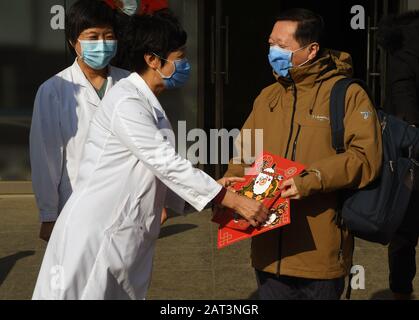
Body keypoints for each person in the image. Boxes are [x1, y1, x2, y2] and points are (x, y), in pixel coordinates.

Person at [32, 11, 268, 300]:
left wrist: (216, 193)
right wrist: (228, 199)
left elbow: (161, 171)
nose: (184, 64)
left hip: (124, 233)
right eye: (179, 56)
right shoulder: (126, 101)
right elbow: (165, 161)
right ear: (153, 60)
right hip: (96, 234)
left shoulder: (145, 102)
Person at [224, 8, 383, 300]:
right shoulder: (267, 97)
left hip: (320, 252)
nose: (273, 51)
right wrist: (232, 181)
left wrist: (309, 180)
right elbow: (245, 152)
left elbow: (365, 158)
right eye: (271, 43)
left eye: (282, 46)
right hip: (267, 249)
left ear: (311, 50)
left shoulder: (347, 94)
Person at [30, 0, 130, 242]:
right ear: (73, 41)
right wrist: (49, 214)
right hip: (76, 205)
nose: (102, 44)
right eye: (92, 37)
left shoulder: (129, 84)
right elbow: (46, 157)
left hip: (126, 205)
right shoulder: (54, 90)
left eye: (108, 36)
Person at [378, 11, 419, 300]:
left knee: (404, 232)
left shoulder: (403, 47)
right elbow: (404, 99)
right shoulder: (408, 47)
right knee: (405, 229)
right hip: (412, 152)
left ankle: (401, 292)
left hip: (409, 153)